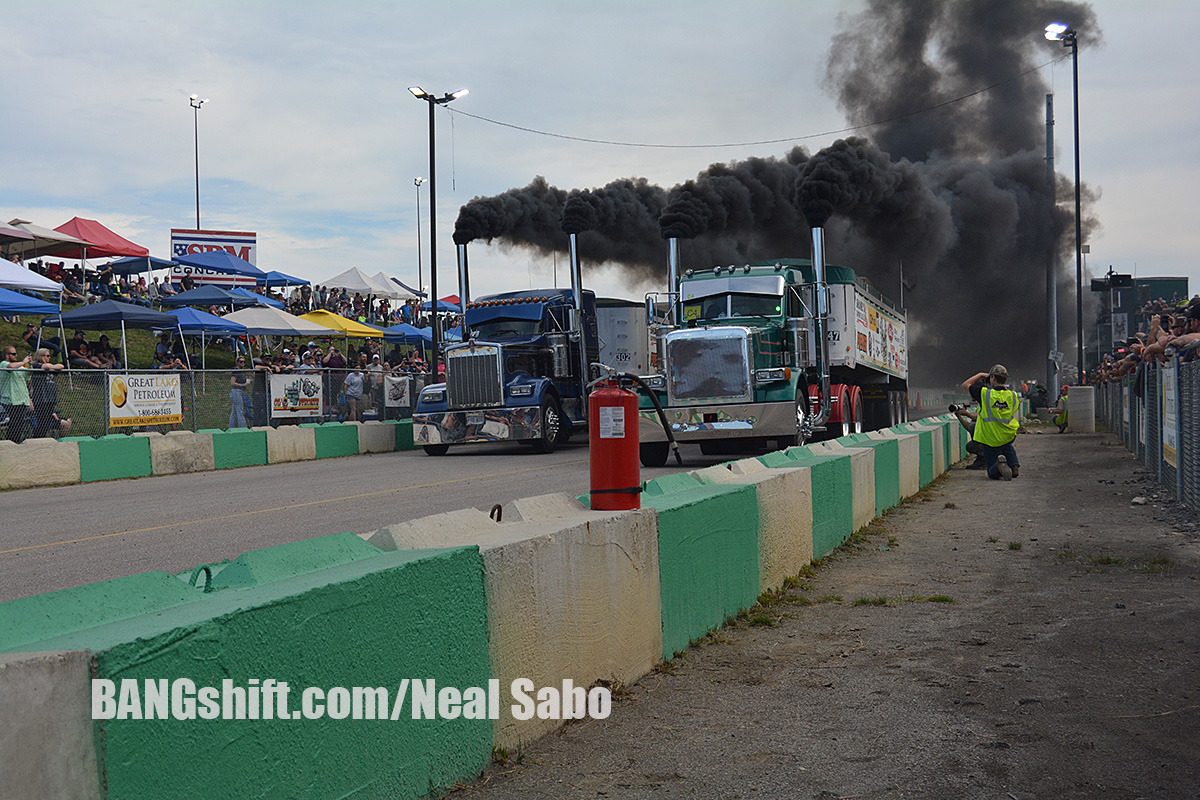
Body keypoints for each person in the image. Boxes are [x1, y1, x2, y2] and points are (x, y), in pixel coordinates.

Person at [961, 364, 1021, 481]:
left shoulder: (985, 394)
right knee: (1007, 446)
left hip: (991, 437)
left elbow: (966, 385)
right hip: (1008, 434)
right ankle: (1014, 466)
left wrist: (981, 375)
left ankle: (998, 467)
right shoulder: (1013, 396)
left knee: (991, 471)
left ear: (992, 377)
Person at [29, 348, 70, 439]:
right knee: (43, 421)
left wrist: (52, 367)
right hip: (41, 398)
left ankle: (41, 437)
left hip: (50, 398)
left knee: (47, 421)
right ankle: (37, 438)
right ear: (41, 356)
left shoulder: (51, 367)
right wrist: (51, 367)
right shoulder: (36, 365)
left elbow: (61, 366)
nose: (49, 357)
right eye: (47, 356)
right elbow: (46, 367)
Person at [1, 346, 34, 443]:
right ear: (7, 355)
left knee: (19, 422)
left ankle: (16, 440)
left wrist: (30, 365)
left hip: (21, 398)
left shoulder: (19, 366)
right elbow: (11, 367)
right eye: (13, 354)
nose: (16, 355)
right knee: (14, 421)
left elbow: (29, 374)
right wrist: (24, 362)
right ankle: (11, 441)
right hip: (10, 399)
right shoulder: (4, 364)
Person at [229, 356, 251, 428]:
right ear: (237, 362)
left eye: (244, 362)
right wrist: (242, 385)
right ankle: (243, 428)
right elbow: (232, 383)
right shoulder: (236, 371)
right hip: (236, 392)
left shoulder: (243, 371)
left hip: (241, 392)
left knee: (234, 412)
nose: (243, 363)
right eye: (241, 362)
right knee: (240, 411)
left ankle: (232, 427)